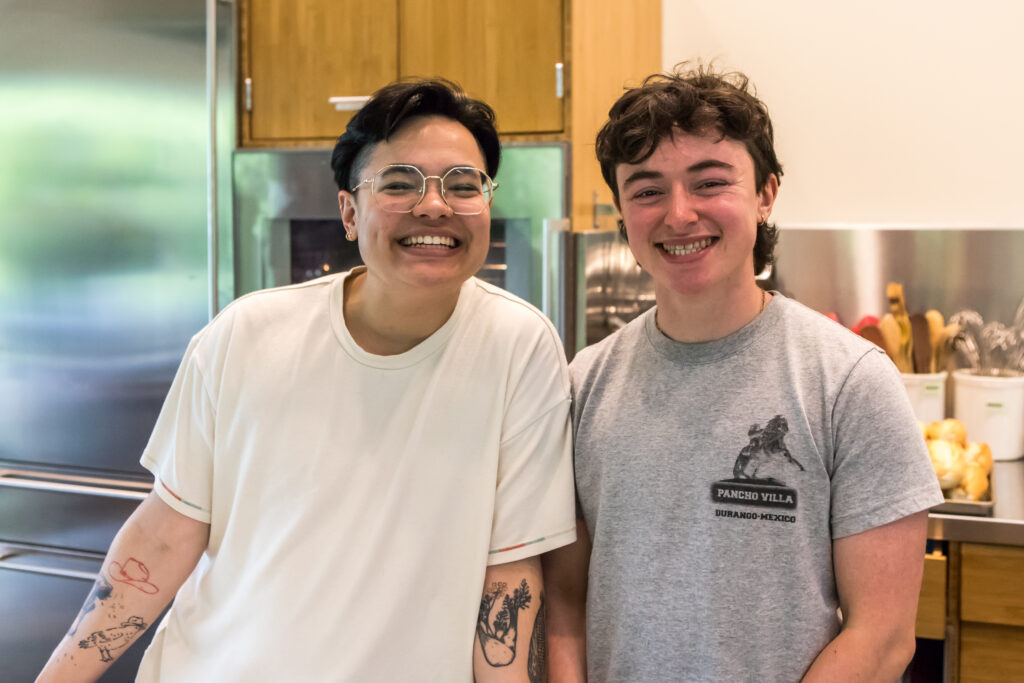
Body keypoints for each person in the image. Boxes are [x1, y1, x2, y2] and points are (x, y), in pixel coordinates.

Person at [37, 78, 576, 683]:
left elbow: (507, 578)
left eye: (463, 184)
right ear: (349, 211)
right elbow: (164, 537)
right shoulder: (246, 335)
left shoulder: (519, 348)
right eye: (399, 183)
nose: (435, 206)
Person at [543, 64, 944, 682]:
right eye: (647, 190)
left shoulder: (849, 381)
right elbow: (565, 607)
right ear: (622, 212)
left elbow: (883, 637)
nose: (679, 215)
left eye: (709, 183)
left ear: (766, 194)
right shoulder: (583, 385)